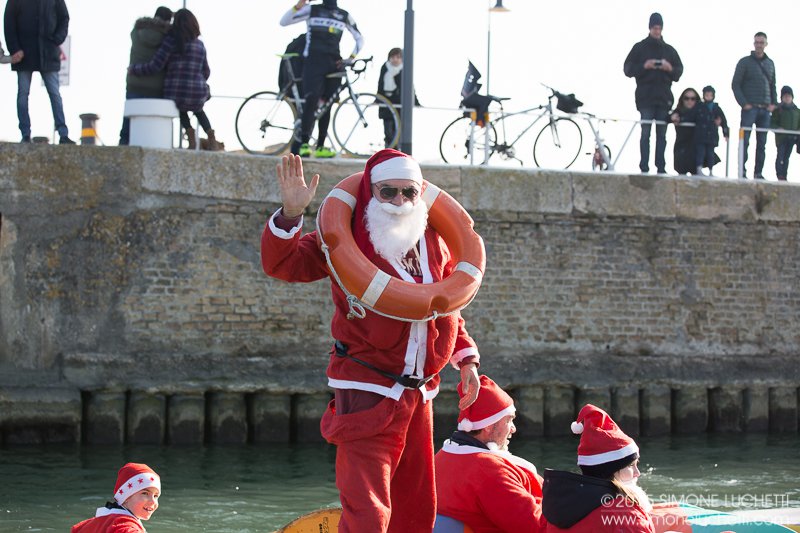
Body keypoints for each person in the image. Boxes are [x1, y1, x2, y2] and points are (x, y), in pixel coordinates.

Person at [260, 149, 482, 532]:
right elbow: (284, 264)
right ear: (370, 192)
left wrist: (467, 362)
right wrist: (291, 215)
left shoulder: (434, 242)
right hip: (366, 388)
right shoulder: (342, 238)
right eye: (388, 192)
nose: (399, 202)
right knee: (368, 509)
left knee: (416, 505)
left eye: (409, 193)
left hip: (419, 395)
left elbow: (446, 308)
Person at [435, 375, 545, 533]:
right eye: (509, 420)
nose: (513, 428)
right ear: (488, 426)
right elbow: (536, 527)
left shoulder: (442, 457)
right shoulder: (490, 472)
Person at [542, 404, 655, 533]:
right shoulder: (624, 513)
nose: (637, 473)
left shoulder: (556, 506)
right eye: (630, 465)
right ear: (609, 470)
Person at [129, 8, 222, 151]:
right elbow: (206, 71)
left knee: (181, 109)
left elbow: (156, 65)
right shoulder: (199, 45)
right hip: (197, 92)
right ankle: (212, 139)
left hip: (176, 92)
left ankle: (191, 139)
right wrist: (197, 80)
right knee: (199, 110)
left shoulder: (171, 42)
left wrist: (135, 69)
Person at [280, 0, 364, 158]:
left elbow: (360, 38)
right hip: (313, 62)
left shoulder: (344, 15)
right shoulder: (312, 9)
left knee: (327, 105)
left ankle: (320, 146)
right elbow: (284, 22)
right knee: (311, 100)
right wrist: (300, 4)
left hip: (334, 63)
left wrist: (351, 58)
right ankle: (304, 143)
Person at [3, 0, 75, 144]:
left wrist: (57, 39)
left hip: (48, 53)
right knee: (23, 93)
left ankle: (63, 134)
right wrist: (15, 49)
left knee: (55, 94)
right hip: (24, 54)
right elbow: (9, 22)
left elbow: (64, 18)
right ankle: (25, 135)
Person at [623, 12, 683, 175]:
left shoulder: (669, 50)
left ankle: (661, 167)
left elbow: (679, 71)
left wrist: (669, 68)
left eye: (659, 28)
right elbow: (627, 69)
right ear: (650, 28)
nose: (657, 31)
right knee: (645, 133)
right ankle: (644, 166)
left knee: (662, 135)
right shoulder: (640, 48)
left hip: (663, 99)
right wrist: (644, 66)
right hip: (645, 99)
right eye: (654, 28)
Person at [119, 6, 173, 145]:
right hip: (157, 87)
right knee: (156, 128)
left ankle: (122, 146)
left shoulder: (137, 31)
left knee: (128, 122)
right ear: (168, 20)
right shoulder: (168, 37)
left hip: (134, 83)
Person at [732, 32, 777, 179]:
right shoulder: (744, 62)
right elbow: (735, 84)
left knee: (762, 143)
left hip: (765, 109)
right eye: (757, 42)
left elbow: (773, 85)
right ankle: (742, 172)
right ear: (754, 43)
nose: (759, 45)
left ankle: (758, 173)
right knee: (745, 141)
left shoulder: (770, 64)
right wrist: (744, 104)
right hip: (750, 109)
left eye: (761, 42)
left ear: (766, 44)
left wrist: (773, 104)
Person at [71, 463, 161, 533]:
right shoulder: (125, 525)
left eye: (156, 496)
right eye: (145, 493)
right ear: (126, 497)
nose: (153, 501)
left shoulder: (92, 523)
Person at [376, 47, 418, 148]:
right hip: (386, 104)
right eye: (393, 57)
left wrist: (415, 101)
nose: (395, 59)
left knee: (398, 131)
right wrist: (377, 98)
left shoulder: (404, 69)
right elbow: (380, 84)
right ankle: (389, 151)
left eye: (398, 57)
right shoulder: (385, 68)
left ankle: (396, 153)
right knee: (388, 131)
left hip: (399, 105)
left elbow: (409, 87)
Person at [771, 85, 800, 181]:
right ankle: (779, 175)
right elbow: (772, 123)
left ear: (792, 97)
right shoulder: (778, 110)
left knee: (787, 157)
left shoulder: (797, 111)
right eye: (785, 96)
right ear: (782, 97)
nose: (787, 98)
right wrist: (778, 128)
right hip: (781, 138)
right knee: (780, 156)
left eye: (789, 96)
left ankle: (784, 175)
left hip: (792, 138)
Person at [670, 87, 701, 175]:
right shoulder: (678, 111)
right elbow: (667, 117)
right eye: (686, 98)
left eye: (693, 99)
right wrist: (673, 117)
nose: (689, 101)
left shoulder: (701, 112)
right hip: (681, 149)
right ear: (682, 99)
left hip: (695, 149)